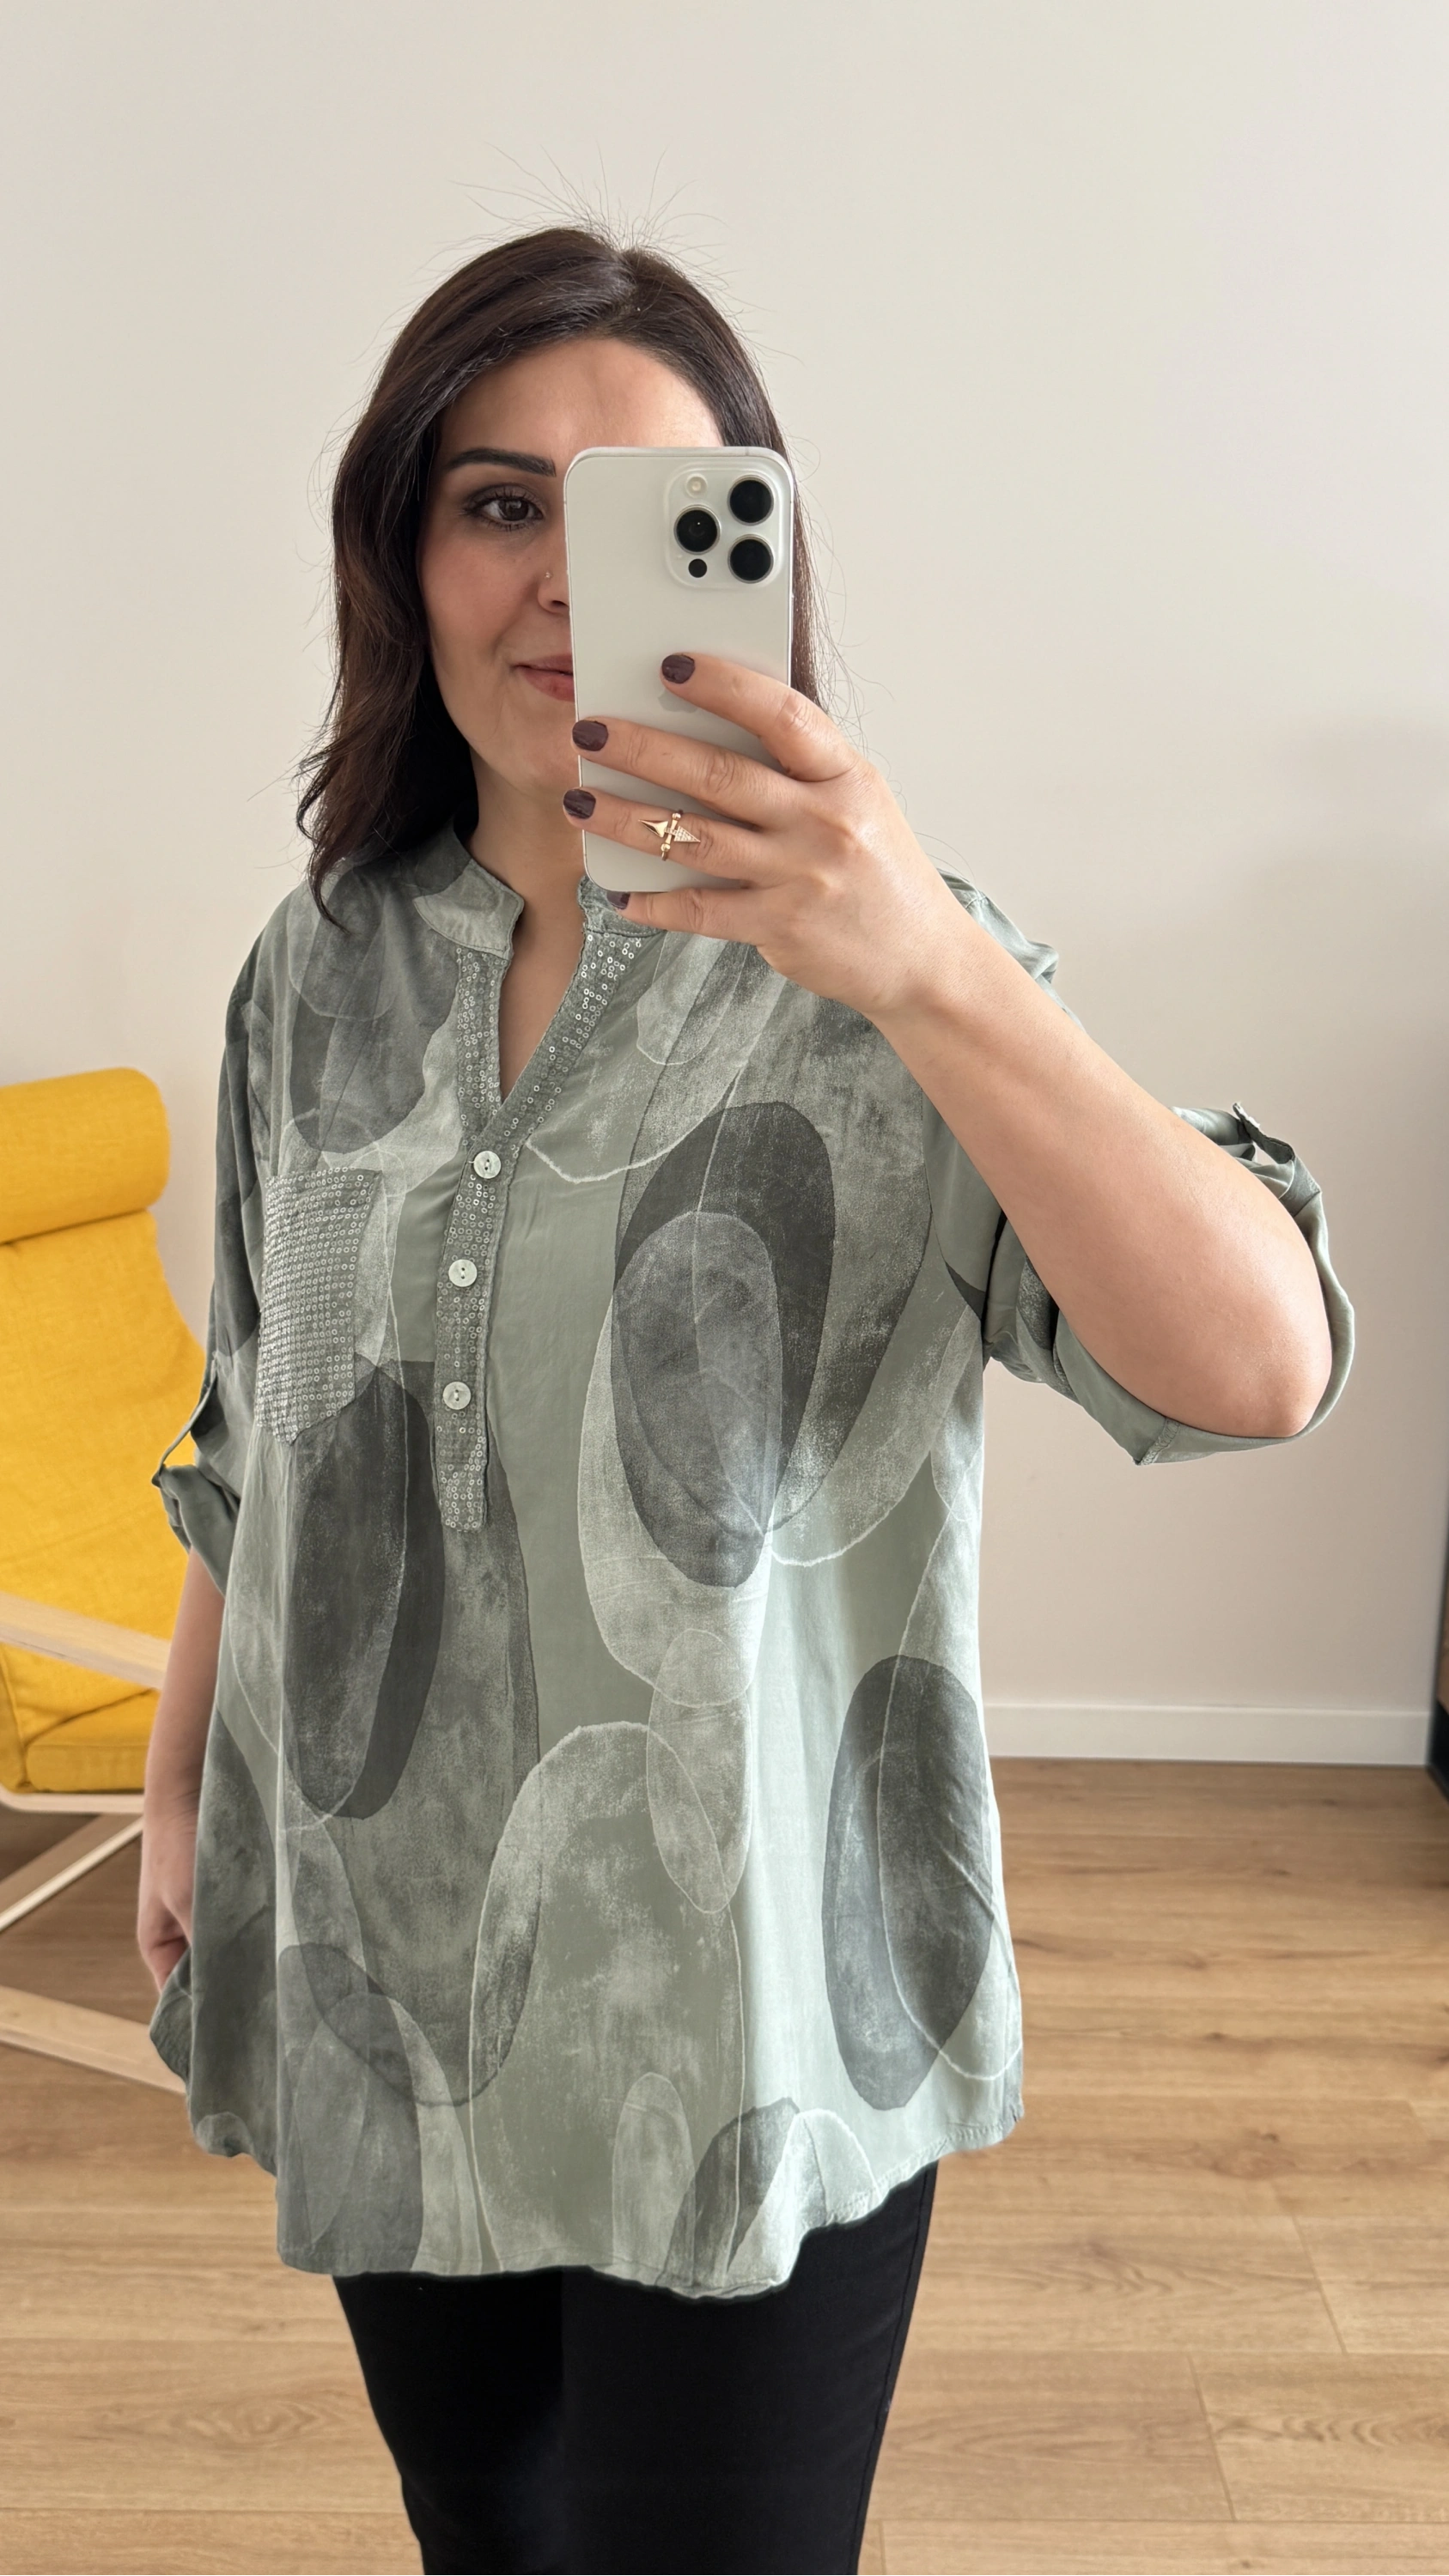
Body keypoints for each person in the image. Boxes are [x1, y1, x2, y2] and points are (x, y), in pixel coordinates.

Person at [137, 227, 1351, 2576]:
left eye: (645, 517)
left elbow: (1255, 1372)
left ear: (759, 561)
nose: (559, 583)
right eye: (499, 504)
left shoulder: (892, 971)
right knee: (480, 2528)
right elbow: (260, 1420)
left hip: (757, 2004)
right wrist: (186, 1787)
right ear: (400, 551)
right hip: (385, 1969)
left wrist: (928, 965)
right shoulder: (319, 964)